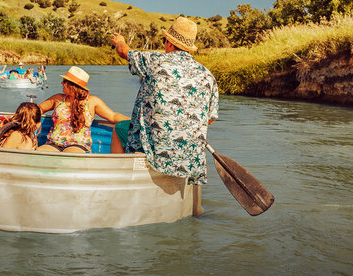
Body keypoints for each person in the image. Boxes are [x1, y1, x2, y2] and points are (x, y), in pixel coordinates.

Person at [110, 16, 219, 184]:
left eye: (164, 41)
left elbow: (124, 51)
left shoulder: (154, 61)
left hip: (157, 154)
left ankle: (117, 180)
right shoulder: (208, 76)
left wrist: (119, 40)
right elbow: (209, 121)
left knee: (119, 128)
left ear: (168, 42)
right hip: (191, 161)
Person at [37, 66, 128, 153]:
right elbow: (38, 109)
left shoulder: (92, 101)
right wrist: (29, 118)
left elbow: (113, 116)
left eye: (65, 81)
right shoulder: (57, 99)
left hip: (78, 145)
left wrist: (135, 122)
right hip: (53, 144)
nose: (62, 83)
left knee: (70, 156)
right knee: (39, 153)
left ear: (73, 86)